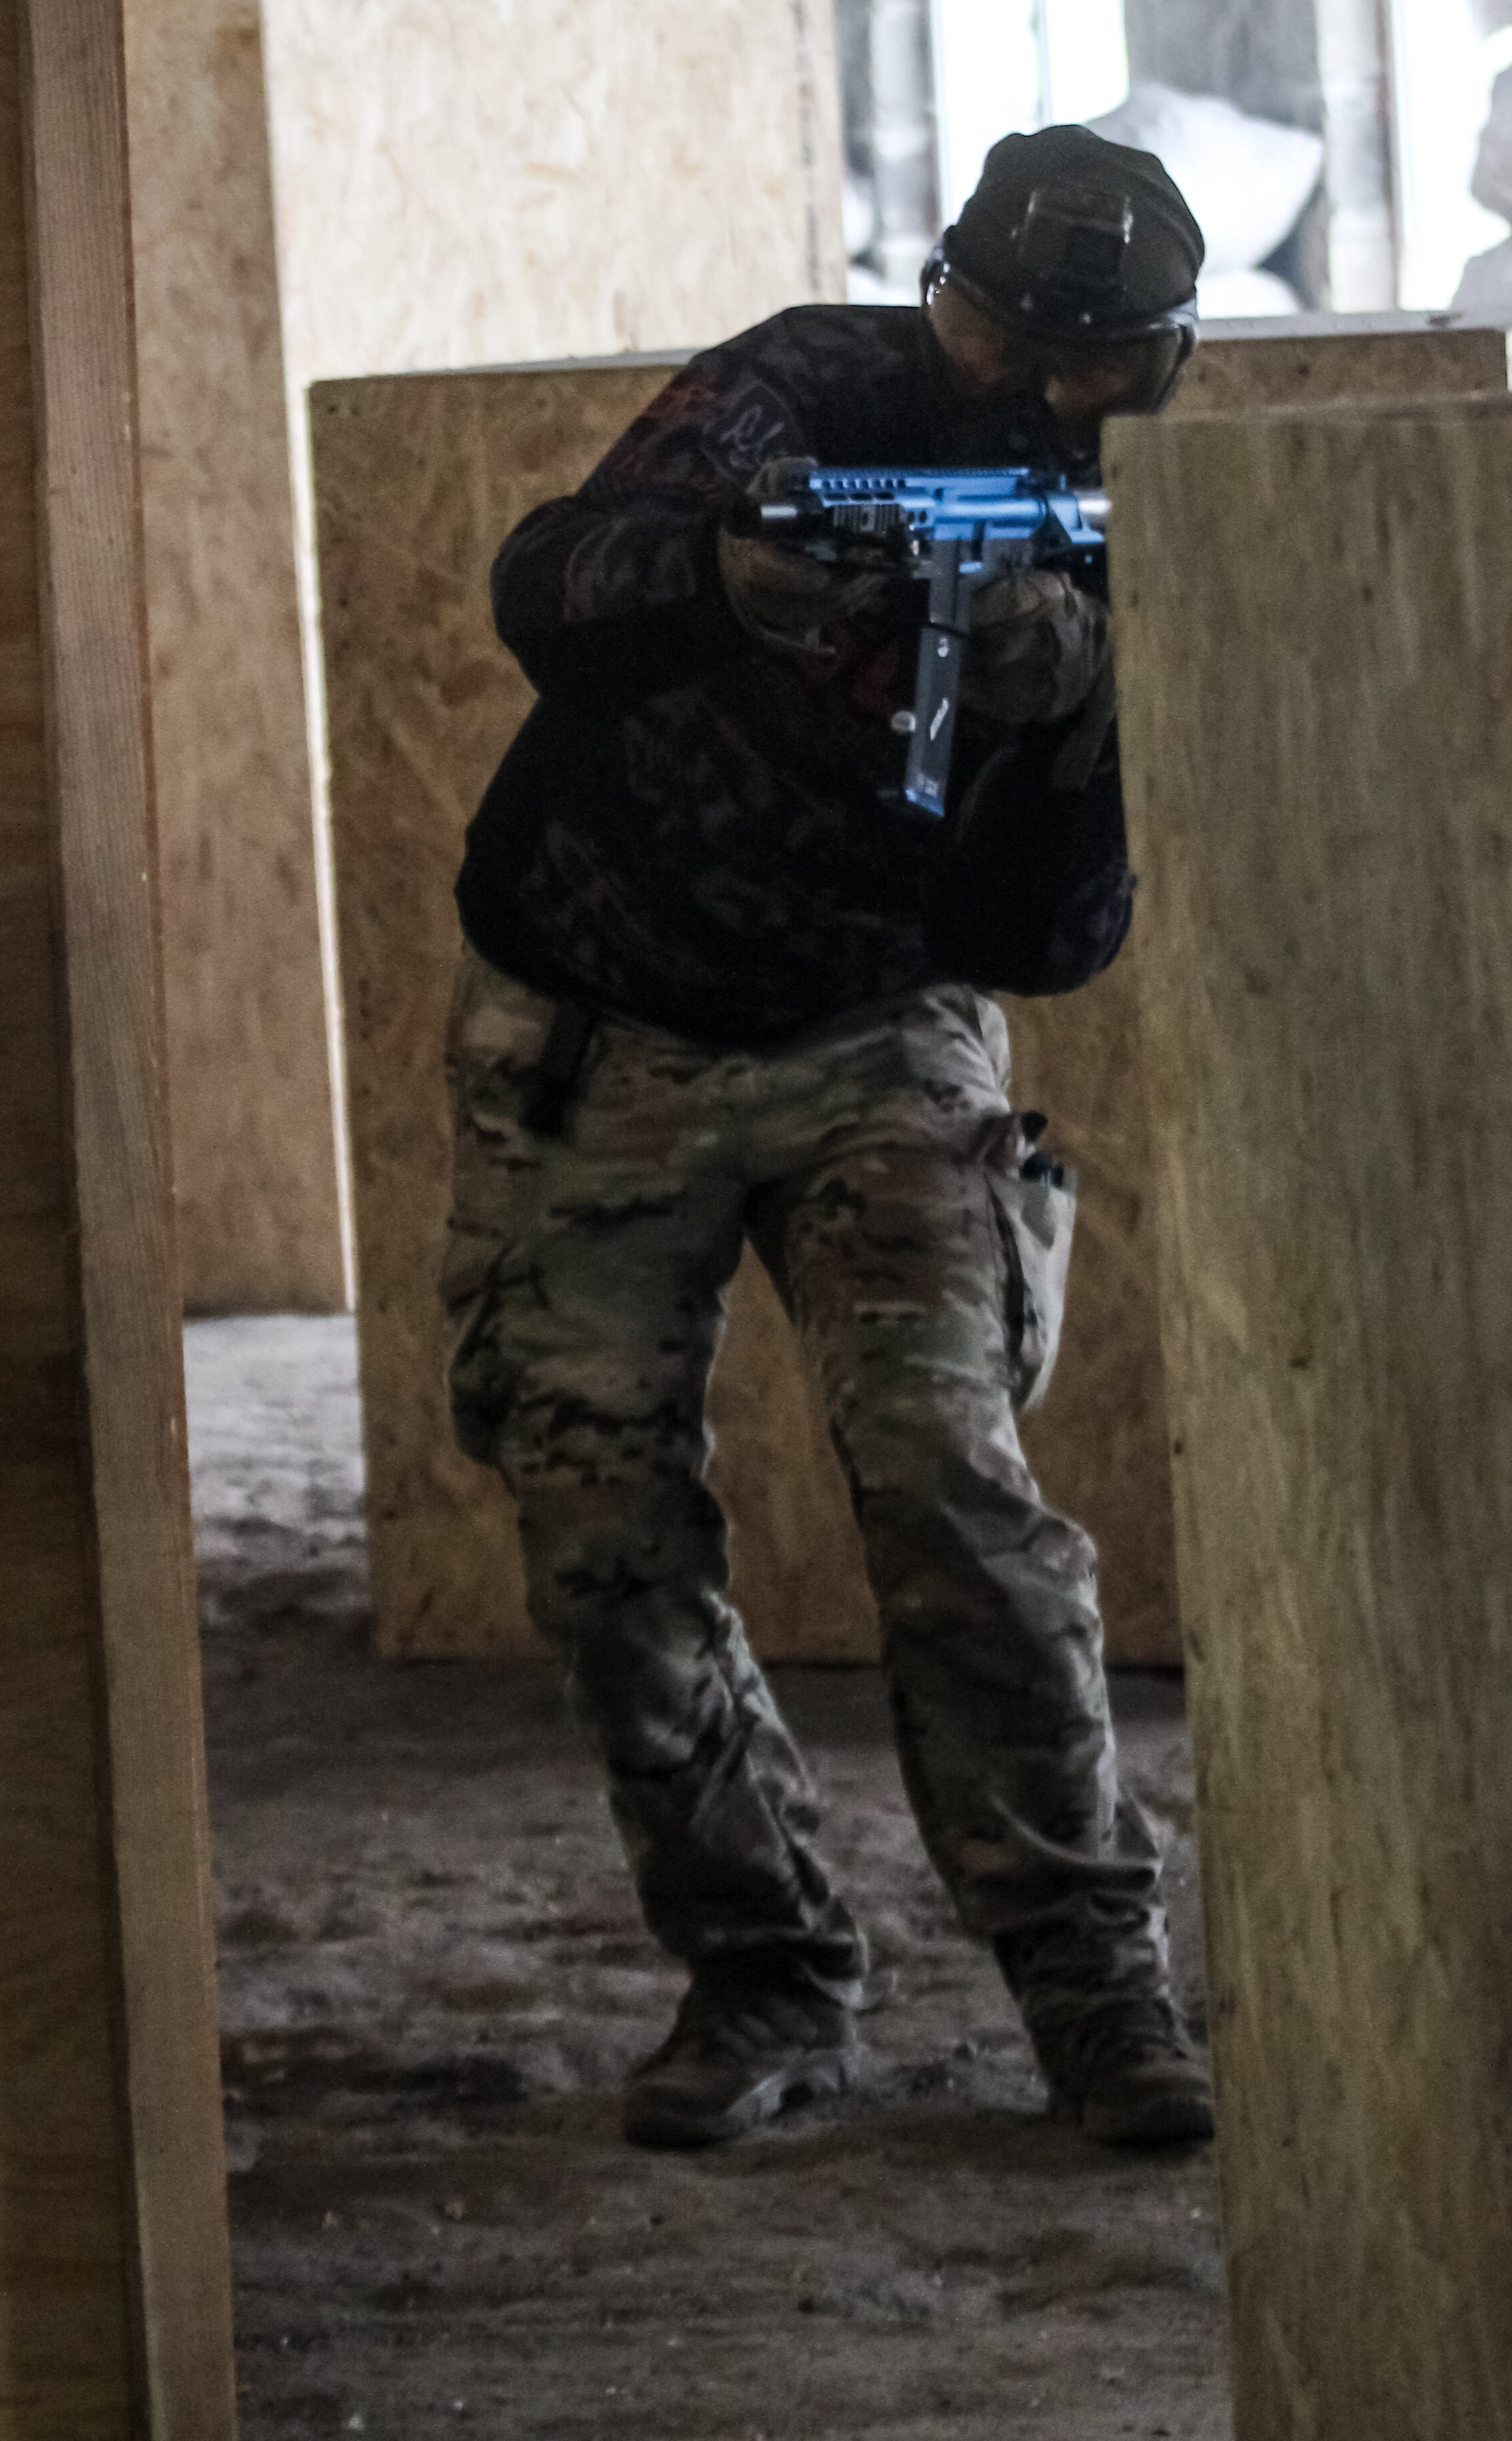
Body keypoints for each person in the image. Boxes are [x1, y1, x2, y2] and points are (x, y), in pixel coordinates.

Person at [441, 123, 1212, 2152]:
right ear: (941, 293)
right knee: (600, 1526)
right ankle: (763, 1974)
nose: (1025, 390)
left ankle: (1099, 1992)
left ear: (1155, 367)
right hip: (597, 1019)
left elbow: (1052, 942)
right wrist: (719, 581)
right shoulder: (802, 390)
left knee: (954, 1484)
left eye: (1087, 365)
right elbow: (547, 576)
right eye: (994, 334)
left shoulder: (1157, 524)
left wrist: (1069, 715)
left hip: (881, 1036)